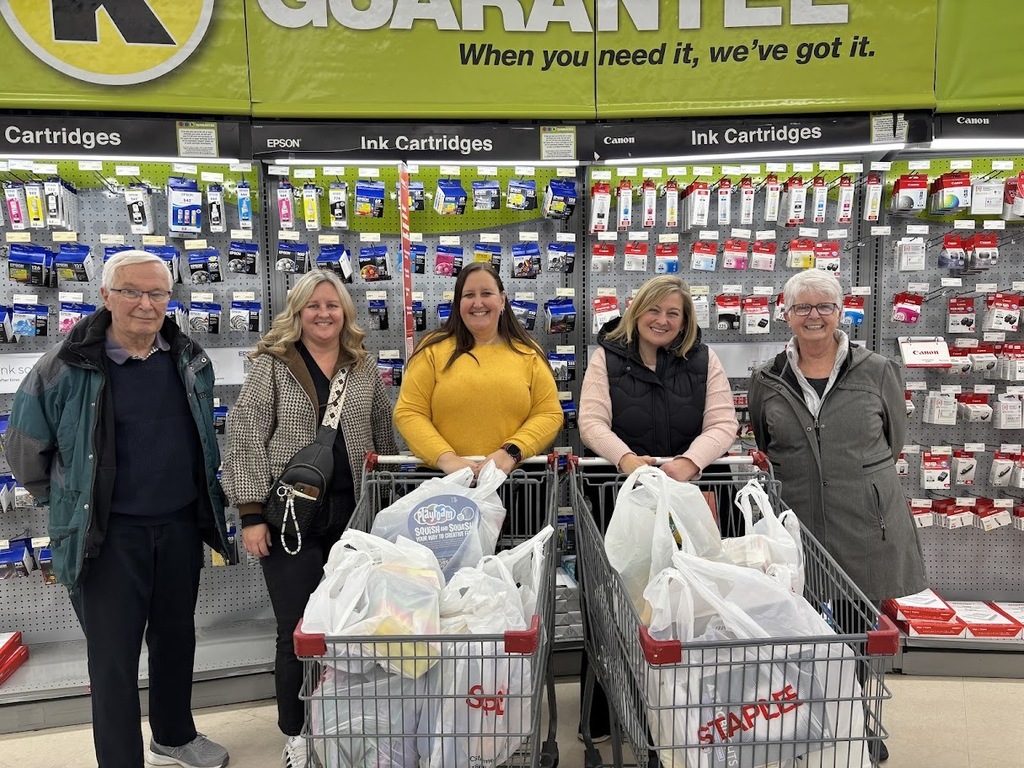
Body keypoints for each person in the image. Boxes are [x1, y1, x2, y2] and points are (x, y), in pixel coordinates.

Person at [3, 250, 231, 768]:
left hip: (177, 525)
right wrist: (66, 502)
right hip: (104, 536)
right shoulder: (64, 366)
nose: (146, 304)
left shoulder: (189, 358)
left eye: (157, 293)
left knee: (176, 638)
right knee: (113, 659)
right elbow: (23, 449)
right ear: (105, 296)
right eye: (131, 291)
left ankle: (174, 735)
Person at [748, 269, 927, 763]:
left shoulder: (878, 369)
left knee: (858, 626)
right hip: (796, 520)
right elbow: (766, 441)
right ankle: (804, 716)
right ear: (785, 314)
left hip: (863, 518)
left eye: (824, 306)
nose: (814, 316)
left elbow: (894, 443)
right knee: (798, 623)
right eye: (802, 308)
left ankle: (857, 717)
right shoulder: (767, 378)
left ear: (841, 311)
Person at [221, 269, 397, 768]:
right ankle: (297, 732)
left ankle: (347, 720)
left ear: (346, 313)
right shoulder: (271, 364)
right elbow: (247, 437)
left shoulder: (362, 366)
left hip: (354, 515)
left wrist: (386, 503)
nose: (323, 313)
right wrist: (252, 515)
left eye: (333, 305)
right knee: (298, 629)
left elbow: (382, 431)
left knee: (351, 625)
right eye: (313, 305)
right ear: (297, 312)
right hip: (289, 519)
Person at [577, 274, 738, 742]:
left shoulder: (704, 360)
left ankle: (692, 707)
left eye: (674, 313)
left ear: (685, 320)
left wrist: (689, 462)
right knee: (618, 601)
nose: (662, 320)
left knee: (695, 603)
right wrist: (627, 461)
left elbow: (723, 422)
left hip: (692, 497)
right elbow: (591, 421)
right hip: (620, 496)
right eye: (654, 310)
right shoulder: (606, 357)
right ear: (636, 311)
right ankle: (605, 710)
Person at [393, 261, 563, 474]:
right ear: (458, 303)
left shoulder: (528, 352)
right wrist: (446, 459)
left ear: (502, 300)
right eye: (469, 295)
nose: (478, 303)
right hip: (443, 482)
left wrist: (510, 452)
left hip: (514, 482)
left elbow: (549, 413)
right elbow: (409, 412)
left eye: (486, 293)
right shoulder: (432, 350)